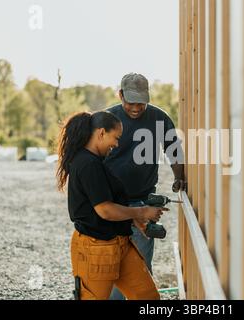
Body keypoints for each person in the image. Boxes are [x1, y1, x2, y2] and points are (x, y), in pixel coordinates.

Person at [56, 110, 168, 300]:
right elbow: (105, 210)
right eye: (115, 138)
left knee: (147, 297)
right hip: (96, 249)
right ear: (101, 133)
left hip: (120, 245)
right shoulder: (87, 164)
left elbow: (111, 203)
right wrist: (142, 212)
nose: (116, 145)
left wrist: (134, 218)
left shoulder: (96, 162)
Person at [104, 73, 185, 300]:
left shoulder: (159, 118)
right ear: (120, 95)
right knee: (112, 266)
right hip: (112, 206)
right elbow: (92, 159)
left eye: (141, 102)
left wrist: (180, 177)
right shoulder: (107, 118)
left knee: (140, 270)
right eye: (131, 101)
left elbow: (174, 151)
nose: (137, 107)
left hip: (143, 202)